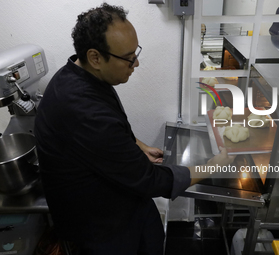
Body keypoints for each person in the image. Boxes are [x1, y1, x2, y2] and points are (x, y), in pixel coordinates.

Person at [34, 3, 234, 255]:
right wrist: (212, 166)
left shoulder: (78, 73)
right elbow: (149, 181)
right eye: (129, 58)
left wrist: (137, 146)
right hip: (101, 226)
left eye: (135, 53)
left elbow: (108, 132)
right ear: (95, 57)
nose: (136, 63)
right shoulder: (83, 109)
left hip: (120, 199)